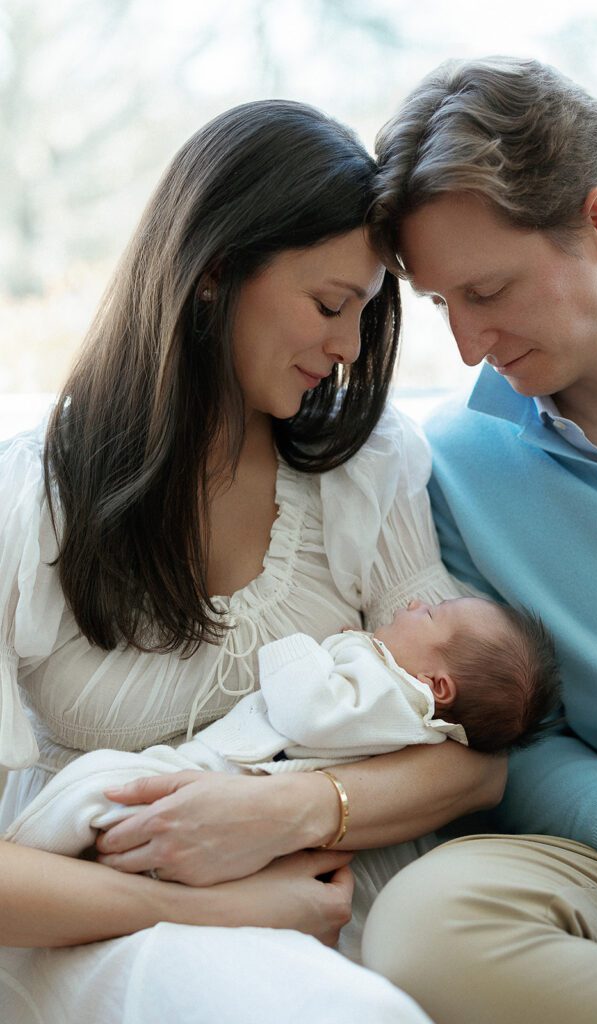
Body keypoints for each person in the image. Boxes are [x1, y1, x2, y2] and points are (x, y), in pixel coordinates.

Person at [0, 99, 508, 1024]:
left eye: (365, 315)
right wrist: (210, 903)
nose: (349, 350)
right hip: (101, 925)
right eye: (327, 306)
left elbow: (476, 761)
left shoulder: (361, 469)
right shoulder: (31, 502)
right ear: (214, 272)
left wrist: (285, 812)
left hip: (334, 894)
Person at [361, 55, 597, 1024]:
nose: (470, 345)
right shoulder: (450, 466)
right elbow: (515, 741)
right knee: (425, 925)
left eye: (488, 290)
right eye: (444, 305)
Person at [5, 595, 559, 861]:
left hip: (229, 779)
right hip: (230, 778)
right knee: (104, 796)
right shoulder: (391, 695)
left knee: (99, 782)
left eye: (432, 616)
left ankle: (25, 859)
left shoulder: (399, 699)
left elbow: (308, 714)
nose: (415, 605)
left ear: (437, 687)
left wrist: (303, 644)